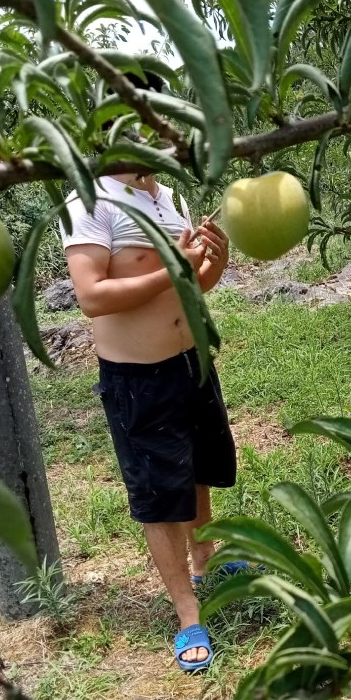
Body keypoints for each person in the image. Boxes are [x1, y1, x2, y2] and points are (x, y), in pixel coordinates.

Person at [60, 165, 238, 673]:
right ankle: (187, 616)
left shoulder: (165, 197)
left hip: (190, 359)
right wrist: (174, 269)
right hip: (140, 377)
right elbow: (91, 296)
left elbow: (190, 288)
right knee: (161, 497)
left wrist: (213, 264)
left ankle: (204, 561)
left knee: (200, 467)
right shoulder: (92, 201)